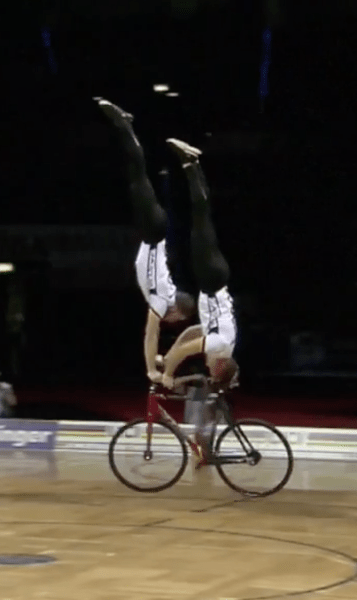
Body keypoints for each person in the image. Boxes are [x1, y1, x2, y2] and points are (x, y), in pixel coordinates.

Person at [95, 97, 196, 382]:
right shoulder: (162, 300)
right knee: (137, 175)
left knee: (138, 178)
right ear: (176, 312)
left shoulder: (165, 295)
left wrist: (162, 359)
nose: (168, 322)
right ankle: (124, 124)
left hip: (154, 233)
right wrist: (151, 367)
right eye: (175, 320)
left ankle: (130, 130)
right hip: (154, 232)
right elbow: (150, 334)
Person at [156, 139, 240, 463]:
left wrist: (168, 356)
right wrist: (168, 371)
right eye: (211, 371)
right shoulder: (219, 345)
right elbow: (189, 348)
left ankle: (192, 166)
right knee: (201, 219)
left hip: (215, 278)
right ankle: (191, 165)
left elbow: (192, 335)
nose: (206, 368)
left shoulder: (221, 343)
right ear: (219, 366)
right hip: (213, 279)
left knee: (202, 220)